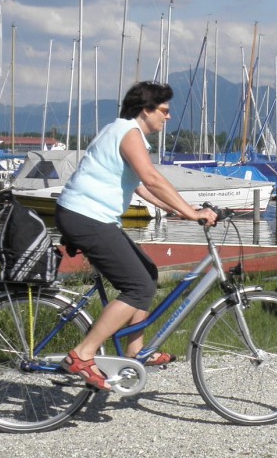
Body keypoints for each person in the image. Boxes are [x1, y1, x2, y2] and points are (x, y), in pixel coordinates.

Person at [55, 80, 217, 391]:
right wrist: (190, 213)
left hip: (86, 215)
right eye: (164, 111)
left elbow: (141, 187)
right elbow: (152, 178)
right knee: (137, 285)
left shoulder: (122, 131)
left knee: (147, 272)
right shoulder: (129, 133)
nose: (167, 117)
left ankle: (135, 350)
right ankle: (82, 354)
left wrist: (181, 208)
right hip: (86, 217)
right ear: (146, 110)